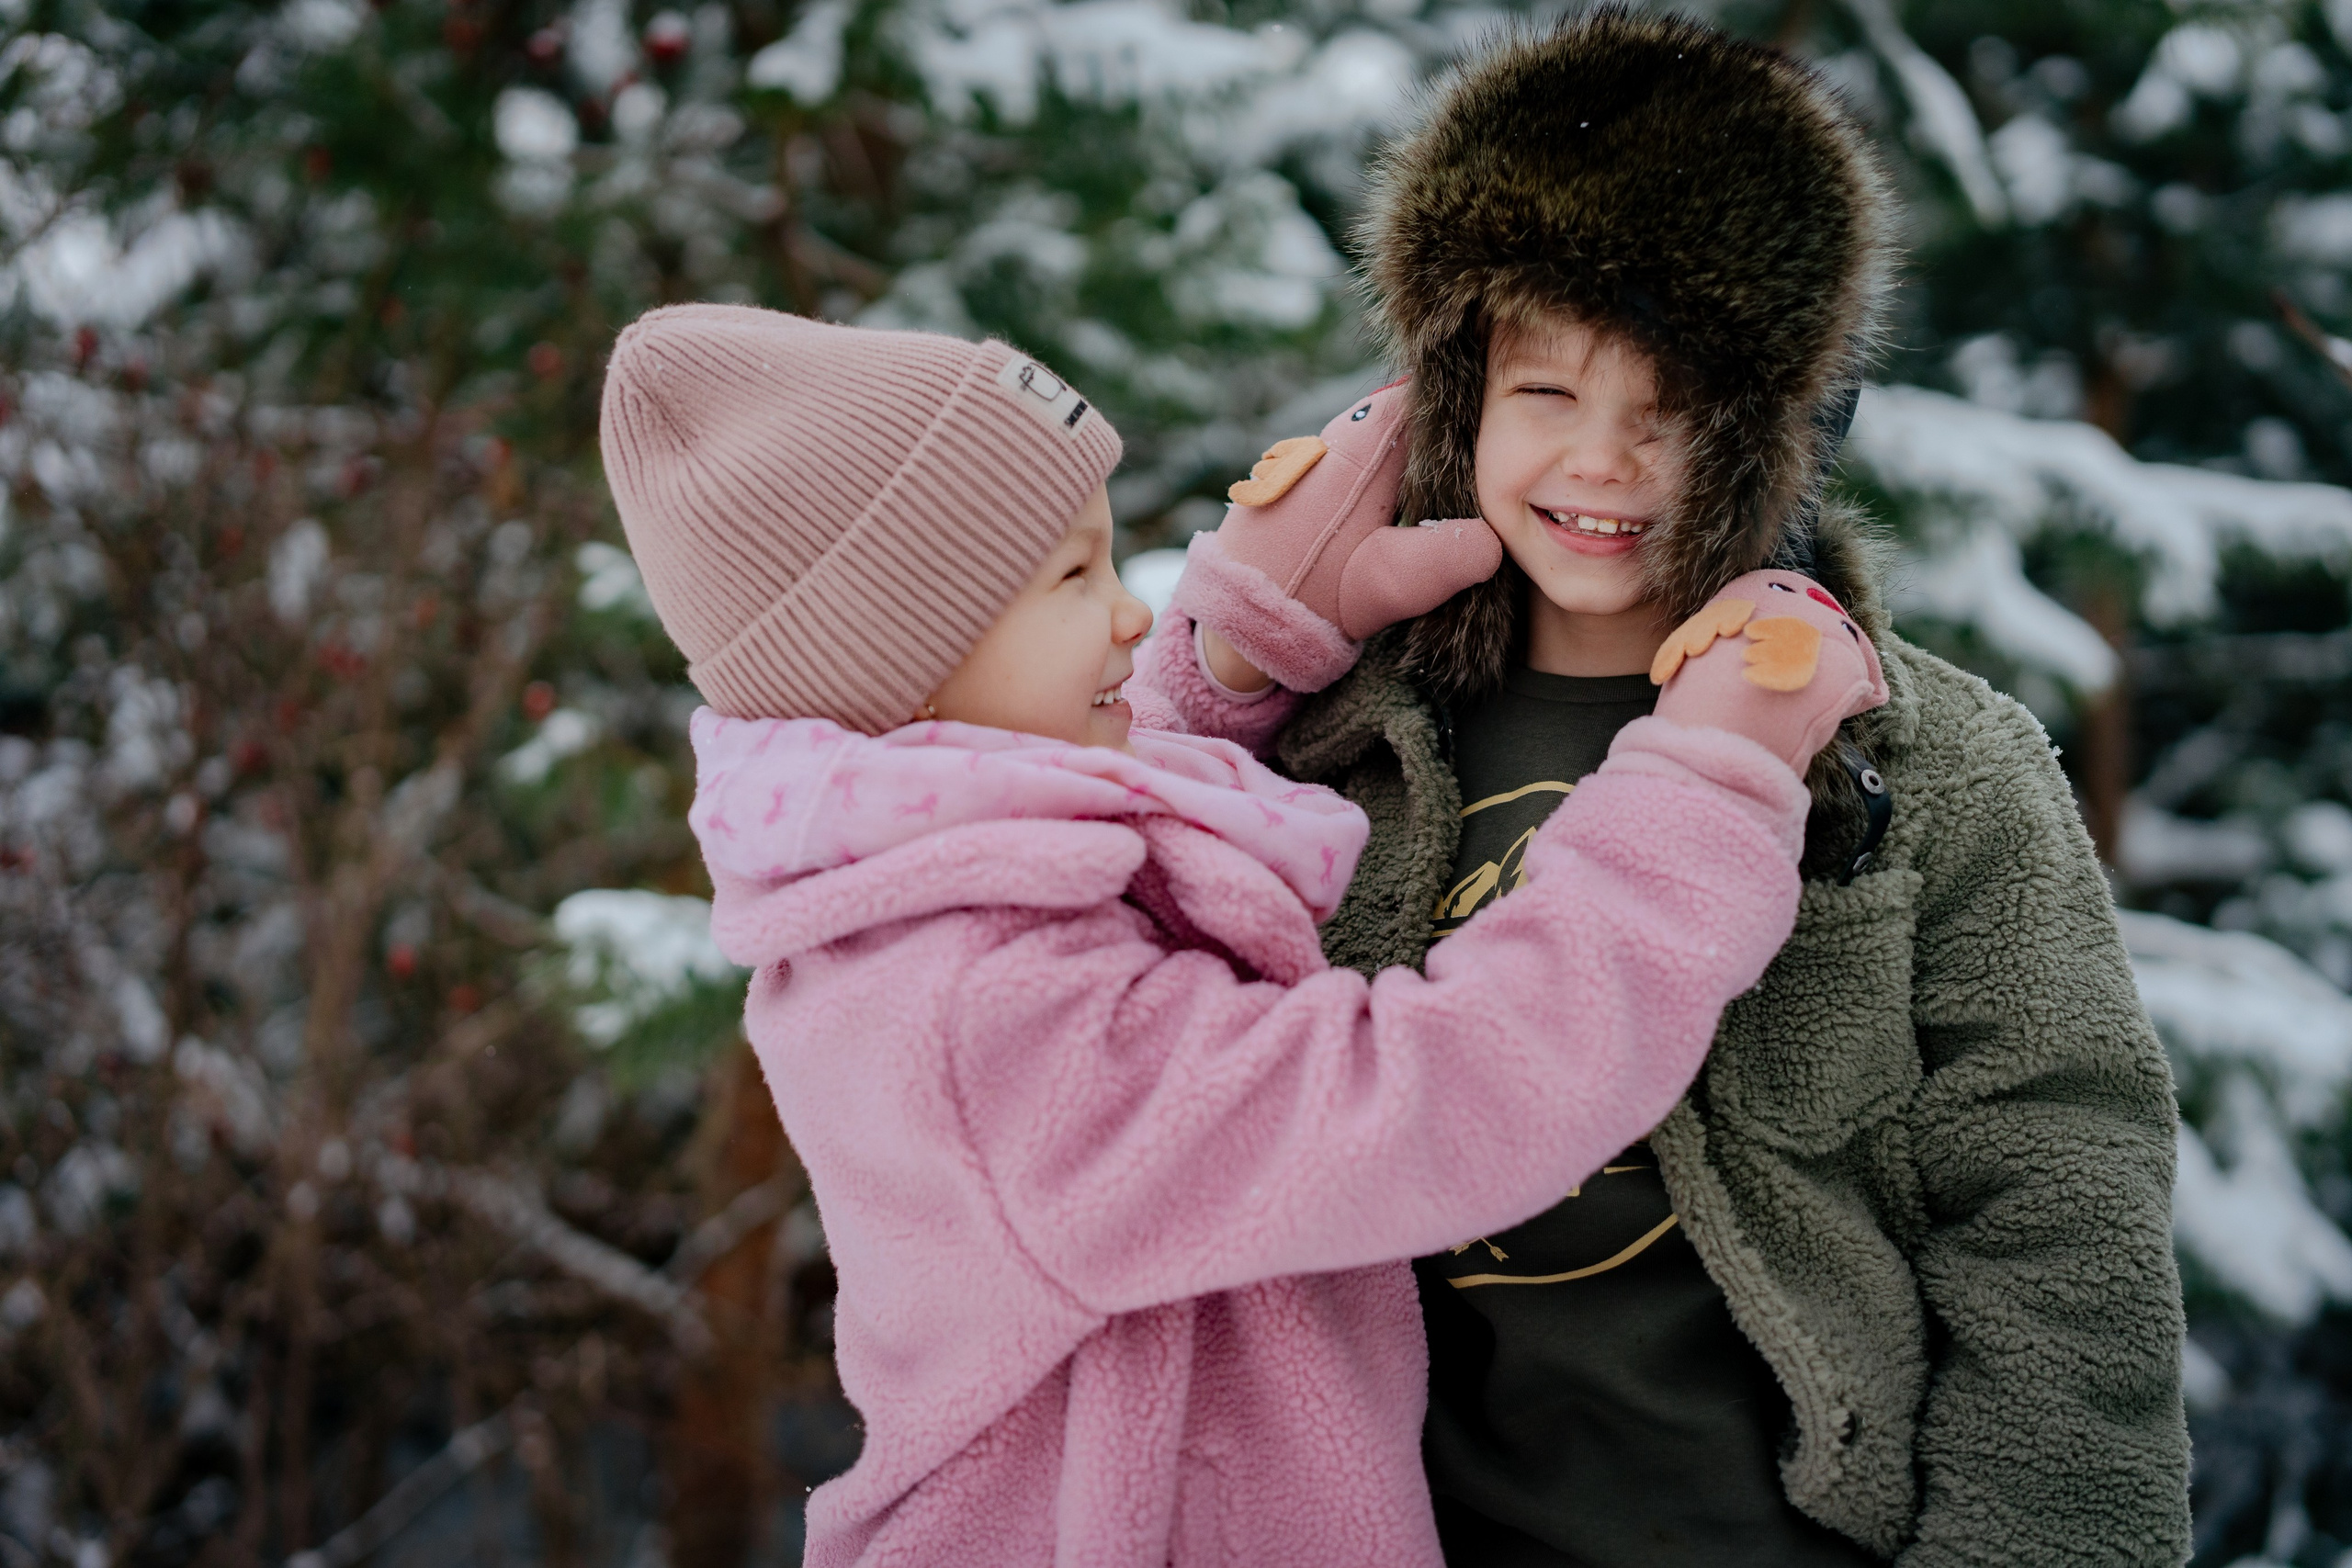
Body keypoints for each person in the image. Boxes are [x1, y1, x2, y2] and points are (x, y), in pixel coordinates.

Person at [1135, 12, 2191, 1566]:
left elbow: (2064, 1214)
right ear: (1452, 403)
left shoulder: (1920, 759)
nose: (1607, 463)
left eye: (1673, 407)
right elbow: (1108, 995)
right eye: (1547, 396)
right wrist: (1224, 658)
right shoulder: (1327, 740)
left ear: (1779, 429)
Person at [597, 302, 1881, 1566]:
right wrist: (1708, 785)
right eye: (1071, 576)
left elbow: (1125, 842)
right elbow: (1440, 1093)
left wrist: (1242, 643)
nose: (1128, 615)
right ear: (904, 652)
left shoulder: (925, 871)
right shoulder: (973, 1012)